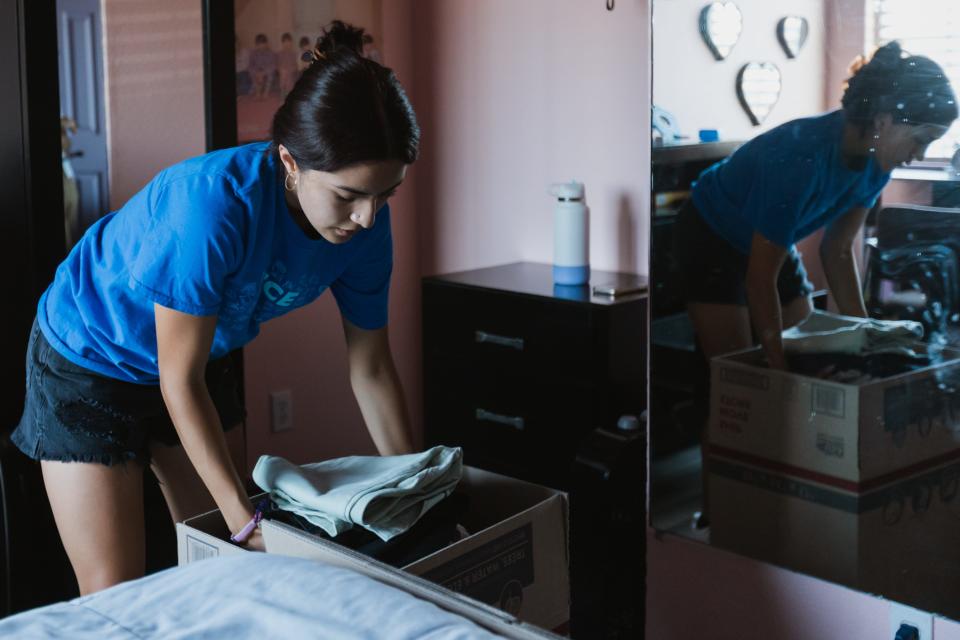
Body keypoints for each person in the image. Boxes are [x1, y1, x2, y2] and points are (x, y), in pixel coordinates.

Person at [11, 20, 419, 595]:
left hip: (200, 354)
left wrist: (415, 490)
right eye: (349, 196)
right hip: (91, 355)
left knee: (217, 568)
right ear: (290, 162)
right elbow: (177, 382)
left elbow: (372, 367)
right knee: (115, 589)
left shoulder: (366, 228)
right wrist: (245, 521)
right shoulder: (210, 207)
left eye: (386, 194)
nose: (367, 218)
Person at [677, 41, 957, 373]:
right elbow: (760, 278)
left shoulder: (877, 165)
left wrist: (870, 340)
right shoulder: (801, 158)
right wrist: (776, 367)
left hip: (770, 241)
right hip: (712, 233)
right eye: (921, 140)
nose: (920, 155)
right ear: (884, 121)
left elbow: (837, 250)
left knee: (806, 364)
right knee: (742, 377)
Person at [248, 33, 276, 99]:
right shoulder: (253, 53)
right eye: (259, 44)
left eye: (263, 43)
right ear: (256, 45)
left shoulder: (271, 53)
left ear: (266, 43)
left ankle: (266, 93)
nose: (261, 46)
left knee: (271, 74)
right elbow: (250, 66)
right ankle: (258, 92)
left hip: (267, 72)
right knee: (252, 74)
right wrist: (257, 73)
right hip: (257, 72)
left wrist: (263, 73)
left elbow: (273, 66)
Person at [277, 32, 298, 98]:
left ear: (291, 43)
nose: (287, 44)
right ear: (282, 43)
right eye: (285, 42)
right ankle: (283, 91)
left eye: (288, 42)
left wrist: (291, 69)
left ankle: (287, 92)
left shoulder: (294, 54)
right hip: (283, 71)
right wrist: (281, 69)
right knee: (284, 73)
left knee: (287, 74)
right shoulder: (279, 53)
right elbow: (277, 65)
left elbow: (296, 66)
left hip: (291, 71)